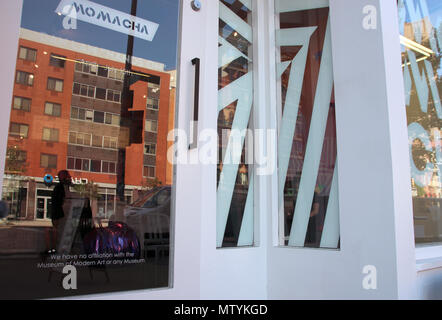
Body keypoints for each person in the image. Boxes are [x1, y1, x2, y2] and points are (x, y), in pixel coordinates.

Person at [49, 170, 72, 253]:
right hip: (60, 216)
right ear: (63, 177)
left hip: (64, 215)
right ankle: (56, 249)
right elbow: (57, 203)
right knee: (59, 233)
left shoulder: (65, 187)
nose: (70, 178)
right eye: (69, 176)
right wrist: (57, 216)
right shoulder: (59, 188)